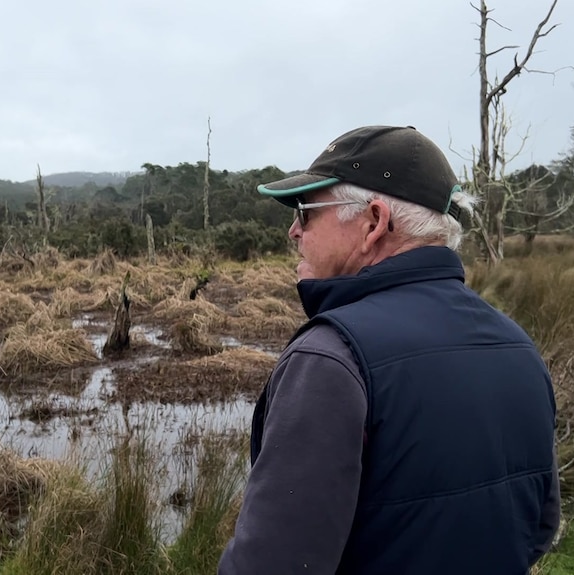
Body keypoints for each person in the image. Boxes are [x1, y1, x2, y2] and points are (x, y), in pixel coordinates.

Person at [218, 125, 560, 574]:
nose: (293, 231)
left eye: (305, 211)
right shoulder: (517, 346)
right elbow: (539, 528)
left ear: (374, 223)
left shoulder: (331, 358)